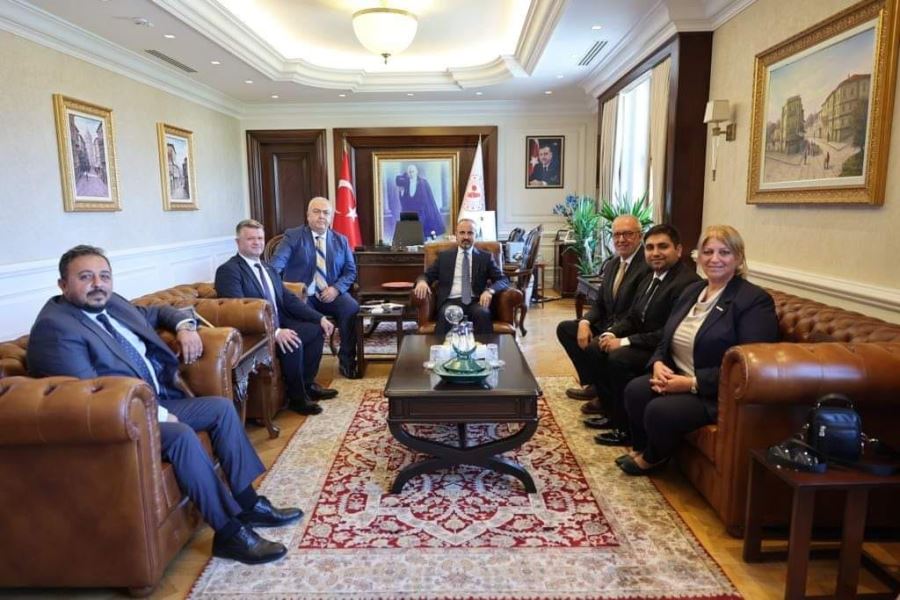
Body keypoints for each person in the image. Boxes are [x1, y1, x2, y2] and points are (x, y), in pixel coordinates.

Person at [26, 245, 301, 565]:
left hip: (159, 399)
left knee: (222, 409)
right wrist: (158, 414)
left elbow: (161, 312)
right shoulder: (56, 329)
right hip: (121, 420)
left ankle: (248, 503)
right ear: (63, 284)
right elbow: (90, 399)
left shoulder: (111, 303)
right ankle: (229, 534)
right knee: (181, 435)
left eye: (104, 276)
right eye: (85, 277)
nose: (98, 284)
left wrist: (185, 327)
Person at [618, 225, 779, 476]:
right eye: (708, 252)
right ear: (699, 257)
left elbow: (750, 365)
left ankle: (654, 458)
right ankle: (642, 447)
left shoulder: (753, 301)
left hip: (714, 392)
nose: (714, 259)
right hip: (677, 375)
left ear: (738, 258)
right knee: (635, 390)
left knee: (659, 410)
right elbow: (667, 336)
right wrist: (658, 362)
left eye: (724, 252)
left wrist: (692, 383)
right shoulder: (693, 290)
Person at [585, 224, 700, 447]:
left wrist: (624, 341)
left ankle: (625, 429)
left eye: (663, 247)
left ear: (678, 250)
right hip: (644, 341)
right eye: (650, 247)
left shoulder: (687, 283)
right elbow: (633, 316)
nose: (655, 253)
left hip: (664, 351)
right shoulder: (651, 276)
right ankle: (611, 414)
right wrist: (611, 333)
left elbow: (669, 332)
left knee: (619, 358)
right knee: (596, 346)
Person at [216, 219, 337, 414]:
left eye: (260, 238)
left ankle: (307, 386)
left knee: (316, 329)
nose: (257, 242)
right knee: (293, 341)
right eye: (250, 239)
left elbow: (289, 299)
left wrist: (319, 317)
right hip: (255, 333)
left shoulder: (268, 268)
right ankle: (297, 399)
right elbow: (237, 311)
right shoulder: (229, 270)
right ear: (238, 242)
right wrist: (275, 332)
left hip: (280, 322)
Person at [556, 215, 649, 410]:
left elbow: (636, 312)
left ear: (640, 236)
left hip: (629, 330)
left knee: (595, 345)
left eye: (628, 234)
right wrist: (585, 322)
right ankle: (595, 385)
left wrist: (610, 332)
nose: (621, 239)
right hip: (609, 323)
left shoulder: (647, 266)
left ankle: (606, 397)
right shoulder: (614, 264)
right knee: (566, 329)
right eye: (617, 235)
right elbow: (600, 303)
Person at [270, 197, 360, 379]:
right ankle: (306, 371)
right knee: (307, 320)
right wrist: (273, 282)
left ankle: (347, 360)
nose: (321, 216)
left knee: (351, 307)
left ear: (331, 216)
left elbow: (350, 271)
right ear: (308, 215)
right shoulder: (293, 236)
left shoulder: (341, 240)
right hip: (303, 297)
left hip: (331, 293)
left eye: (326, 213)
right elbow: (276, 265)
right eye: (316, 212)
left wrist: (336, 289)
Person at [414, 218, 509, 336]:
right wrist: (422, 282)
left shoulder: (485, 258)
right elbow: (427, 275)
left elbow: (503, 280)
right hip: (450, 301)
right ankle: (442, 347)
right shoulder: (444, 257)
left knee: (483, 314)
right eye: (462, 233)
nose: (466, 237)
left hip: (476, 301)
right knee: (447, 313)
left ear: (476, 235)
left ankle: (484, 347)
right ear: (456, 235)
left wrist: (490, 291)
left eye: (470, 233)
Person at [395, 164, 446, 237]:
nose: (411, 174)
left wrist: (423, 208)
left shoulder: (423, 182)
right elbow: (403, 199)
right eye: (409, 172)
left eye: (412, 171)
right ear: (407, 173)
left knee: (423, 228)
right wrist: (401, 192)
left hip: (421, 209)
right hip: (411, 210)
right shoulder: (405, 183)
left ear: (416, 172)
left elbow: (427, 197)